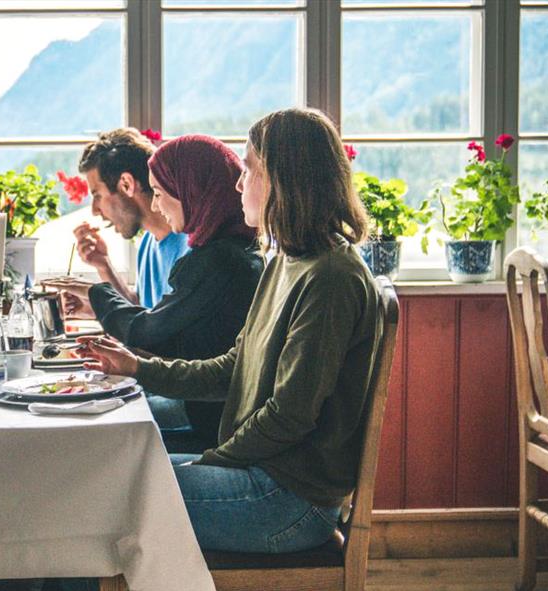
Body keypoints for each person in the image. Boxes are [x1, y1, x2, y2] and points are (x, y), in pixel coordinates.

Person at [79, 107, 388, 554]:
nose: (239, 182)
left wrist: (211, 461)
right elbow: (231, 368)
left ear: (286, 180)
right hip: (262, 474)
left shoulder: (331, 278)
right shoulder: (287, 260)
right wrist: (138, 367)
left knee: (101, 498)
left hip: (288, 499)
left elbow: (290, 415)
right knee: (108, 475)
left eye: (250, 169)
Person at [48, 134, 262, 452]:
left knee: (92, 433)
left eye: (161, 192)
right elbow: (162, 328)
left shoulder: (215, 259)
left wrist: (98, 295)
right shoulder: (235, 252)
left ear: (190, 191)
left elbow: (150, 333)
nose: (157, 204)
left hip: (209, 422)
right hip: (210, 413)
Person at [61, 128, 189, 310]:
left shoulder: (190, 249)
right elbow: (141, 311)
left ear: (126, 184)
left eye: (97, 195)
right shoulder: (148, 242)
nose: (95, 210)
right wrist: (103, 265)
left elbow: (158, 328)